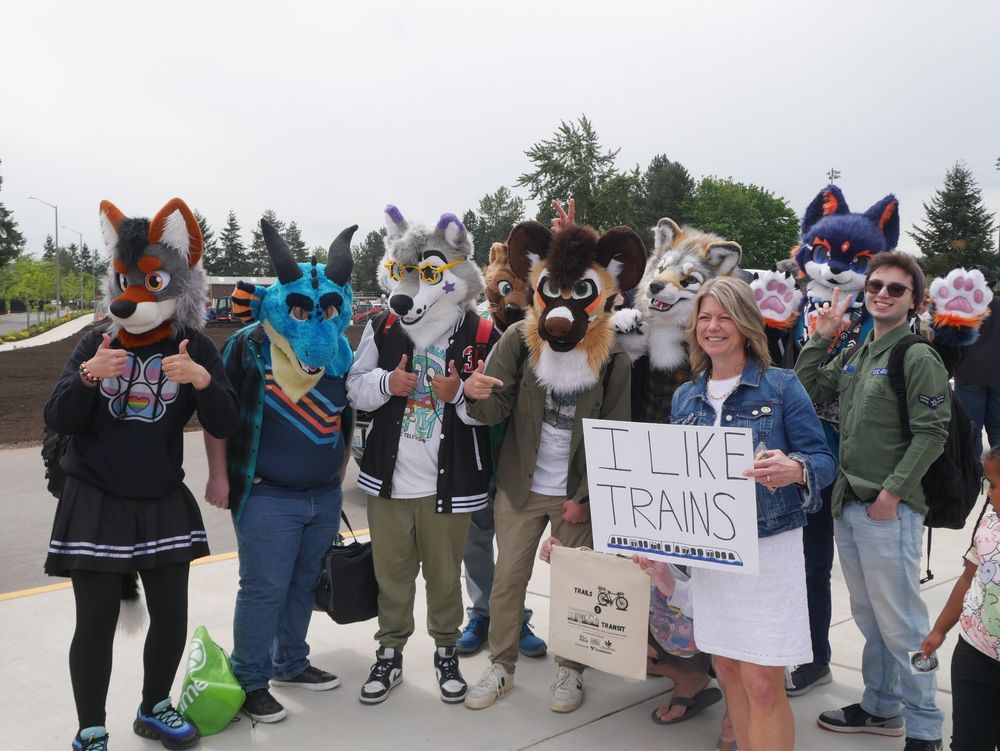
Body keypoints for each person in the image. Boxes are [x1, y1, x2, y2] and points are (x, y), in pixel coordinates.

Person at [45, 198, 239, 751]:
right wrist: (87, 376)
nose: (133, 297)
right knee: (96, 621)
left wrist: (203, 379)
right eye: (127, 280)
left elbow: (226, 420)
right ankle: (91, 727)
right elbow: (57, 418)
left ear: (180, 284)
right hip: (95, 497)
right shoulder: (96, 342)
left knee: (172, 615)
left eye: (150, 281)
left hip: (160, 496)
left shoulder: (195, 345)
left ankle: (154, 707)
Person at [461, 211, 643, 713]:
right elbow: (493, 406)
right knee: (506, 582)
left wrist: (585, 499)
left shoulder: (613, 358)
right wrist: (470, 393)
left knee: (579, 588)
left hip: (575, 495)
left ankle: (570, 671)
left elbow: (616, 436)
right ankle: (501, 665)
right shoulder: (518, 342)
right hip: (520, 488)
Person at [668, 275, 836, 751]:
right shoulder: (685, 398)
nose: (713, 326)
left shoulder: (781, 387)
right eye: (705, 317)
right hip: (712, 556)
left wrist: (795, 469)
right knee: (726, 670)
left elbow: (823, 460)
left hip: (767, 552)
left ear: (744, 324)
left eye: (724, 316)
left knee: (763, 680)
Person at [203, 220, 357, 723]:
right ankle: (250, 680)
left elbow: (345, 412)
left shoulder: (338, 347)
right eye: (303, 311)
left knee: (302, 583)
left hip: (322, 495)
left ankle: (291, 661)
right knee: (263, 587)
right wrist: (219, 475)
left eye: (328, 310)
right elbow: (219, 414)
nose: (316, 319)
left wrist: (339, 466)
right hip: (267, 495)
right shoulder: (250, 344)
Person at [796, 251, 949, 751]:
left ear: (914, 301)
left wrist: (892, 494)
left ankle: (924, 729)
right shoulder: (861, 351)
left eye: (895, 289)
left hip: (889, 511)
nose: (881, 293)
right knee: (870, 617)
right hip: (851, 504)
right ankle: (881, 707)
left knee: (903, 625)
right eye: (876, 285)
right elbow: (808, 386)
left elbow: (932, 433)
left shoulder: (917, 355)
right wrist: (822, 335)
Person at [347, 206, 499, 705]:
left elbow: (497, 409)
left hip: (449, 481)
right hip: (388, 481)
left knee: (444, 578)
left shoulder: (479, 334)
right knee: (391, 577)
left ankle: (446, 653)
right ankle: (389, 655)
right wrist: (389, 383)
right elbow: (353, 387)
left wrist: (458, 395)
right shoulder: (384, 325)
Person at [920, 445, 1000, 751]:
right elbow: (968, 579)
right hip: (975, 653)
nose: (988, 496)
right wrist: (939, 629)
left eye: (993, 486)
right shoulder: (989, 526)